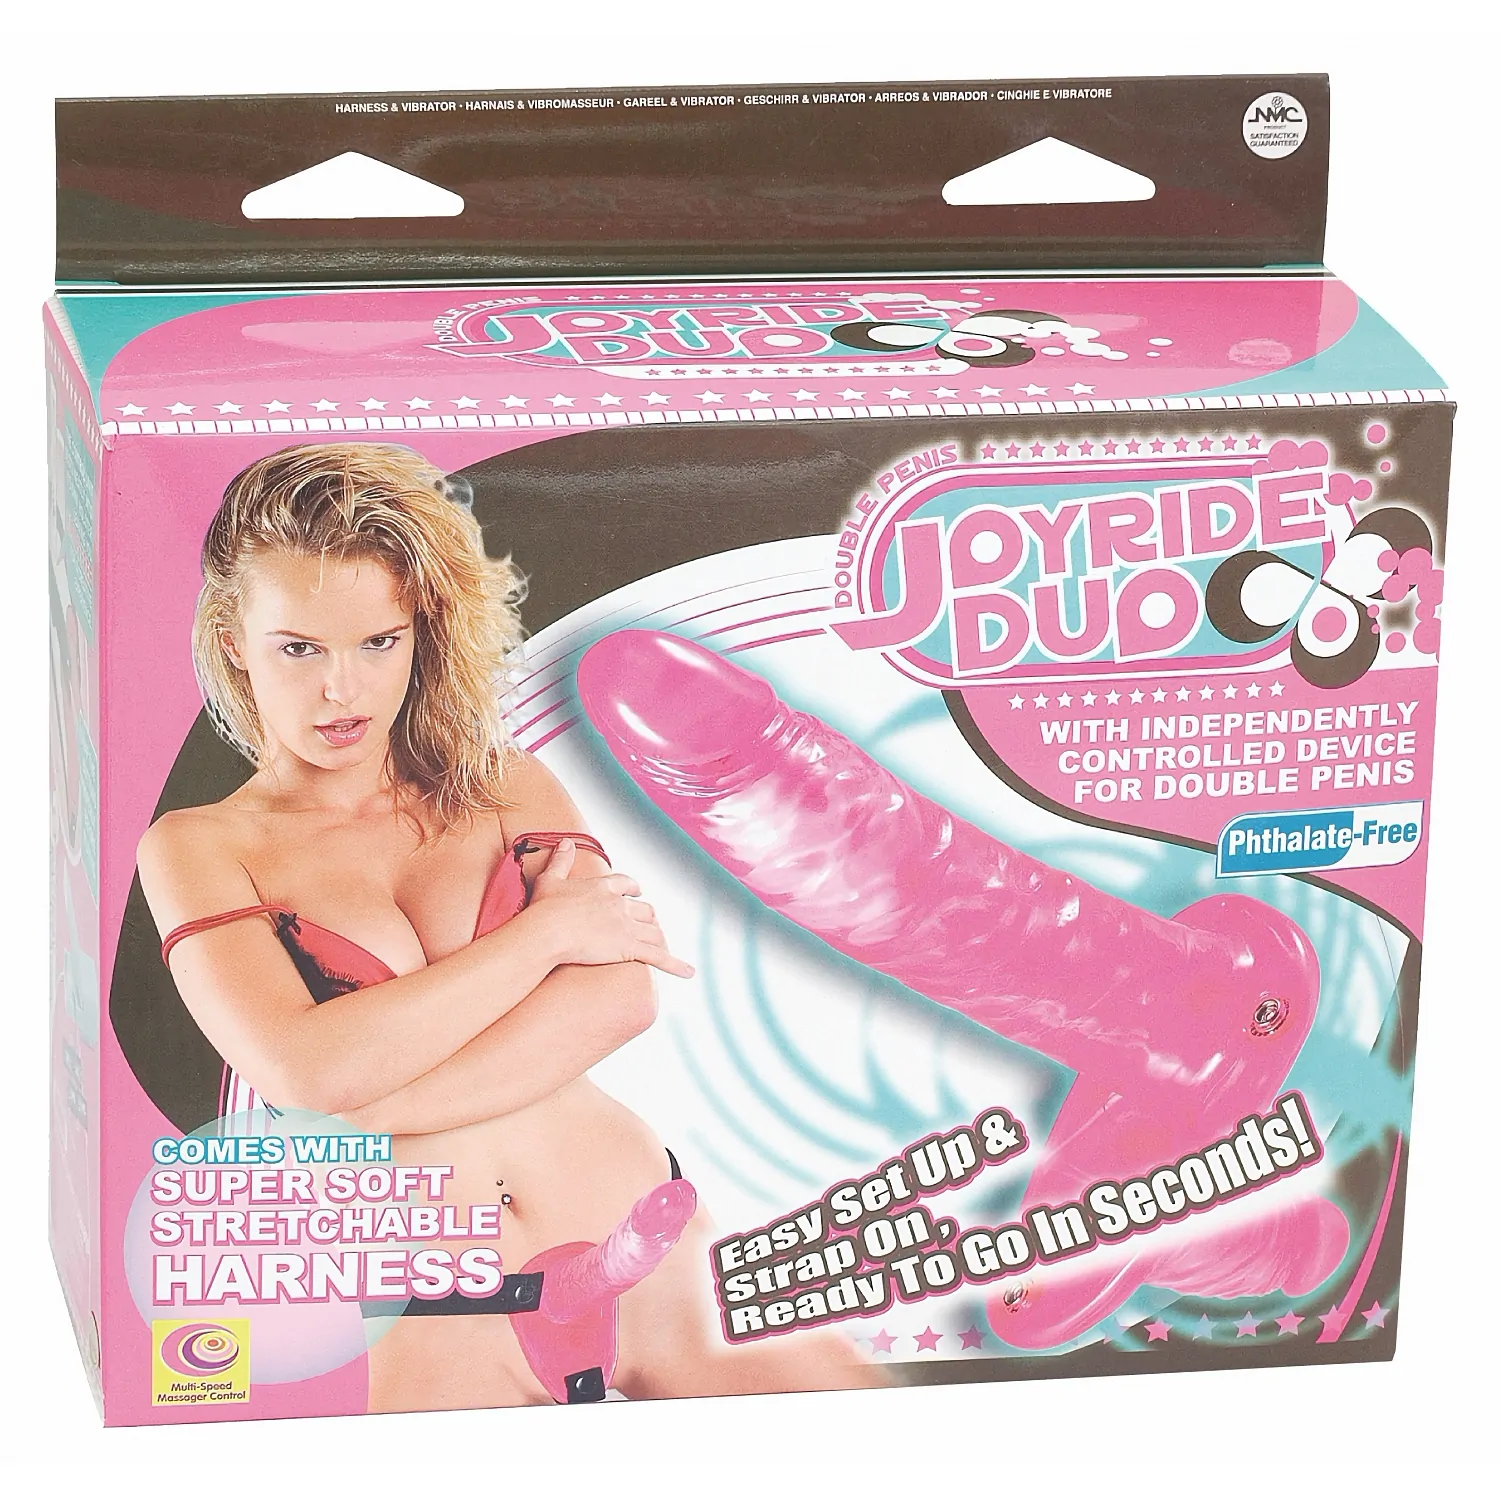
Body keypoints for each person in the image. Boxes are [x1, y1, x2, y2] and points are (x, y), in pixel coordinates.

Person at [136, 442, 876, 1411]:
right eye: (299, 648)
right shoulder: (197, 845)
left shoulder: (503, 783)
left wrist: (371, 1102)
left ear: (421, 630)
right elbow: (304, 1073)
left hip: (649, 1246)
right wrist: (542, 936)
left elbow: (619, 996)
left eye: (378, 642)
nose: (342, 691)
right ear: (235, 638)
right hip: (440, 1314)